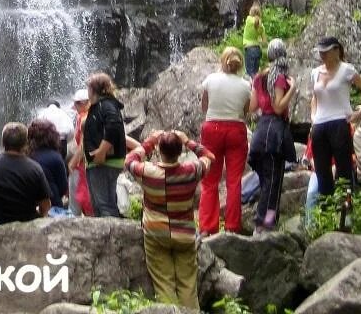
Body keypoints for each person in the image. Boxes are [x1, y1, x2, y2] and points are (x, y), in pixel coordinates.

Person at [126, 130, 214, 310]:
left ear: (159, 150)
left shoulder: (148, 172)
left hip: (155, 234)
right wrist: (187, 140)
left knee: (164, 285)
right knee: (188, 286)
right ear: (180, 152)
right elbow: (208, 156)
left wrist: (150, 141)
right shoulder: (191, 171)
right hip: (185, 235)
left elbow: (129, 160)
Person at [310, 36, 361, 195]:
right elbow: (315, 97)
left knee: (344, 167)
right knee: (321, 169)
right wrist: (313, 117)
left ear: (336, 50)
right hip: (319, 125)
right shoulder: (315, 72)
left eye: (326, 51)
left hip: (339, 122)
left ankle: (346, 207)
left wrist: (359, 112)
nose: (322, 55)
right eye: (321, 52)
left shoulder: (346, 69)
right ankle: (326, 210)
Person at [198, 47, 251, 235]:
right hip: (236, 130)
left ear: (223, 61)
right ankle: (232, 226)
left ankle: (207, 226)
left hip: (212, 129)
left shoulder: (210, 80)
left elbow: (204, 107)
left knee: (210, 180)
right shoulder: (246, 85)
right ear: (240, 64)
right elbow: (245, 112)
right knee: (234, 181)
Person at [248, 38, 297, 230]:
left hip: (261, 131)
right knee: (274, 180)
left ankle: (263, 219)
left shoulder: (259, 77)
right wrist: (292, 89)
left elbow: (252, 107)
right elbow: (278, 107)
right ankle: (266, 221)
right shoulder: (279, 77)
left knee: (266, 179)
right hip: (275, 132)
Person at [0, 122, 51, 227]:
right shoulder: (35, 169)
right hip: (26, 227)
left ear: (3, 143)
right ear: (26, 143)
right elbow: (45, 206)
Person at [83, 71, 127, 216]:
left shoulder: (106, 105)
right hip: (99, 163)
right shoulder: (100, 106)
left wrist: (101, 151)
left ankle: (113, 237)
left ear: (94, 89)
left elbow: (114, 127)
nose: (87, 91)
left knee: (105, 205)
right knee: (99, 205)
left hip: (105, 162)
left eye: (88, 88)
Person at [28, 119, 69, 215]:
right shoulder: (56, 157)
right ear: (53, 136)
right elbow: (63, 187)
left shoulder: (26, 156)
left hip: (30, 207)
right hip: (53, 206)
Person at [68, 88, 93, 216]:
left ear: (85, 103)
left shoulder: (85, 118)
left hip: (82, 163)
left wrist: (72, 162)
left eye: (77, 103)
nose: (75, 106)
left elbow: (83, 144)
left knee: (80, 195)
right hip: (86, 162)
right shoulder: (81, 116)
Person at [242, 2, 267, 77]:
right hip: (258, 50)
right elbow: (265, 42)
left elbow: (253, 22)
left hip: (249, 49)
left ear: (251, 12)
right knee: (256, 73)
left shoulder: (248, 19)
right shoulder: (261, 26)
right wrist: (258, 41)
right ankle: (257, 87)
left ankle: (250, 88)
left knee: (249, 73)